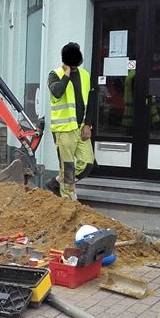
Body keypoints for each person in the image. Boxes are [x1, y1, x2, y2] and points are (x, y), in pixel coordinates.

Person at [45, 42, 95, 200]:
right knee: (68, 167)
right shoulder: (55, 75)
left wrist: (88, 124)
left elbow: (92, 100)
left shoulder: (85, 75)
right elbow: (58, 92)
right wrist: (66, 74)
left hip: (81, 128)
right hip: (63, 129)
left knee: (87, 163)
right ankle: (69, 200)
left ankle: (57, 182)